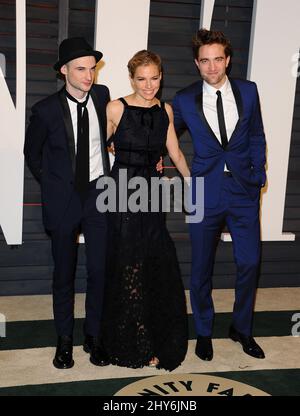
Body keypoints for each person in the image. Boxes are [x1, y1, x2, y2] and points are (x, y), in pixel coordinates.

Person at [172, 29, 266, 361]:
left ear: (227, 59)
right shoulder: (183, 99)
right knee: (201, 268)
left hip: (243, 190)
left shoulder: (249, 91)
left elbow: (256, 134)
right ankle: (203, 331)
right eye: (205, 61)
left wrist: (257, 173)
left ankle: (241, 329)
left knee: (250, 262)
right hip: (202, 191)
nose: (212, 68)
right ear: (197, 63)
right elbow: (167, 135)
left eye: (218, 60)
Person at [24, 37, 111, 369]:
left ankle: (94, 336)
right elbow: (31, 154)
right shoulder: (45, 110)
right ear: (63, 71)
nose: (89, 75)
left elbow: (114, 132)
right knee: (64, 273)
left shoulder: (103, 98)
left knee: (100, 270)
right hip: (64, 200)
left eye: (92, 68)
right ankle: (64, 341)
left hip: (99, 196)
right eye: (81, 69)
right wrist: (52, 185)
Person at [101, 50, 189, 371]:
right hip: (122, 189)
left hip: (152, 190)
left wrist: (191, 182)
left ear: (161, 76)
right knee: (128, 261)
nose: (149, 85)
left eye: (154, 78)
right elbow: (95, 148)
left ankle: (150, 335)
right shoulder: (116, 108)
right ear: (131, 79)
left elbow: (174, 151)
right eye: (142, 79)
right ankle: (132, 338)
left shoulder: (165, 110)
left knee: (153, 260)